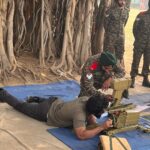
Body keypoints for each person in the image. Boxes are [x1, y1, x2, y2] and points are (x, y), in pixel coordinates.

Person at [0, 88, 113, 140]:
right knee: (21, 106)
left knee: (41, 102)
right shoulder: (79, 114)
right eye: (102, 110)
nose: (103, 111)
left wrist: (96, 126)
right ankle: (3, 94)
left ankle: (37, 99)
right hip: (44, 112)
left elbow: (90, 117)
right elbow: (81, 135)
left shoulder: (87, 99)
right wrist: (101, 127)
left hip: (54, 101)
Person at [103, 0, 129, 71]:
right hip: (111, 36)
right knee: (108, 54)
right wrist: (110, 33)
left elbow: (125, 23)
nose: (123, 2)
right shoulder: (111, 10)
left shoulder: (126, 11)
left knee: (120, 54)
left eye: (124, 0)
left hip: (121, 36)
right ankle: (107, 72)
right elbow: (105, 24)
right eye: (121, 0)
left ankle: (116, 70)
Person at [130, 1, 150, 88]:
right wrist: (138, 39)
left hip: (149, 45)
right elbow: (135, 28)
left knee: (147, 62)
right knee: (136, 61)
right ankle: (132, 79)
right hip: (139, 43)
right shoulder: (141, 15)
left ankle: (145, 80)